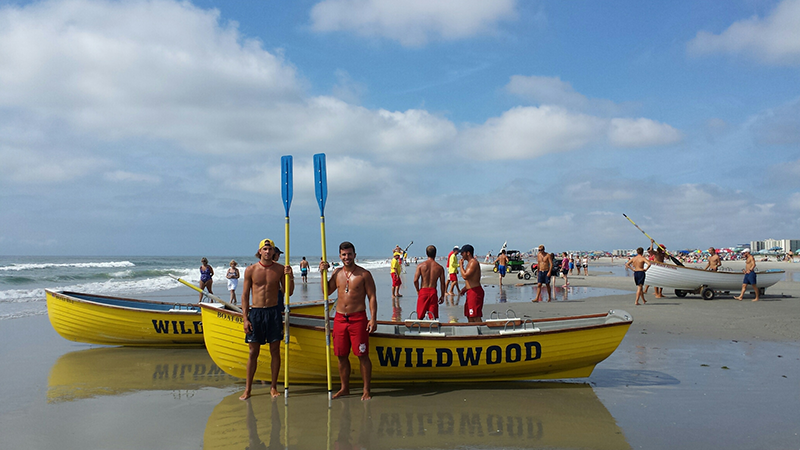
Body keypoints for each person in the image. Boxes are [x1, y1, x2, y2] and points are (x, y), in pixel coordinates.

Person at [320, 242, 378, 400]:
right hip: (340, 319)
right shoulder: (337, 273)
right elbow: (326, 290)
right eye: (344, 254)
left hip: (358, 318)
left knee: (362, 354)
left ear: (354, 255)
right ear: (340, 256)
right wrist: (322, 273)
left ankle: (366, 389)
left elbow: (372, 297)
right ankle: (345, 388)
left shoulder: (364, 274)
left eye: (349, 254)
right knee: (341, 355)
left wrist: (373, 319)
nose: (347, 257)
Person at [239, 239, 295, 400]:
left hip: (273, 312)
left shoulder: (279, 269)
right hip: (256, 313)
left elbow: (288, 292)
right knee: (252, 352)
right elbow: (244, 296)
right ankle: (248, 389)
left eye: (270, 249)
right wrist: (245, 318)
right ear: (260, 251)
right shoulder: (251, 270)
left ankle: (273, 387)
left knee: (275, 351)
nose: (268, 252)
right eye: (265, 249)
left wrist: (290, 276)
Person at [413, 245, 446, 319]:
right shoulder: (439, 268)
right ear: (435, 254)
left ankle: (420, 330)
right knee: (432, 317)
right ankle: (433, 330)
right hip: (433, 292)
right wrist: (442, 295)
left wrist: (418, 290)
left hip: (423, 291)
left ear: (426, 253)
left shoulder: (421, 266)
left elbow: (415, 280)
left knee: (420, 317)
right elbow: (442, 283)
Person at [457, 244, 483, 322]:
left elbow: (465, 276)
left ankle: (482, 331)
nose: (461, 254)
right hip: (470, 291)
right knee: (469, 315)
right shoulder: (469, 263)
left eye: (462, 253)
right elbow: (472, 280)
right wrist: (465, 288)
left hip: (475, 292)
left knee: (475, 316)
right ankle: (472, 331)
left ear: (468, 253)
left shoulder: (473, 263)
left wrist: (461, 266)